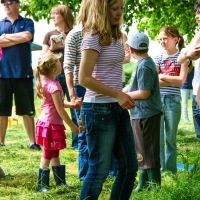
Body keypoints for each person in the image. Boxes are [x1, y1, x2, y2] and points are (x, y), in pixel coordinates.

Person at [79, 0, 138, 199]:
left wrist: (119, 96)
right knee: (98, 172)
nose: (119, 12)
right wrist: (117, 93)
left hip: (116, 107)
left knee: (129, 167)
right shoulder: (92, 36)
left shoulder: (115, 35)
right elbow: (84, 78)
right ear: (103, 10)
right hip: (97, 110)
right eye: (114, 9)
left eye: (121, 8)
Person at [34, 54, 80, 192]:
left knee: (54, 153)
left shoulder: (48, 82)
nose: (62, 65)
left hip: (49, 123)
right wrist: (72, 126)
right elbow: (59, 110)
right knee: (47, 154)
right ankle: (41, 185)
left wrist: (72, 105)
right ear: (54, 69)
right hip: (50, 125)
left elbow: (57, 104)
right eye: (60, 63)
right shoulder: (53, 86)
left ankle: (60, 183)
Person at [123, 31, 162, 191]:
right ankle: (143, 182)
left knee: (149, 149)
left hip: (147, 114)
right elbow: (134, 87)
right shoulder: (142, 63)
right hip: (139, 113)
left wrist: (123, 95)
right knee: (141, 148)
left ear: (131, 50)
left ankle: (155, 186)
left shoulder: (145, 65)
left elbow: (144, 93)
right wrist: (119, 92)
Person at [0, 0, 40, 150]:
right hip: (2, 73)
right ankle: (1, 142)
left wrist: (5, 37)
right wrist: (18, 39)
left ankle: (32, 142)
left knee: (27, 109)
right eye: (3, 3)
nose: (6, 5)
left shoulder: (27, 21)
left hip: (23, 73)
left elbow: (27, 37)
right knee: (2, 109)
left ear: (17, 4)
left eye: (9, 2)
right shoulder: (0, 23)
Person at [41, 4, 78, 149]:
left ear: (64, 15)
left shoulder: (74, 34)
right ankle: (54, 138)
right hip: (54, 78)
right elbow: (42, 60)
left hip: (72, 75)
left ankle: (77, 141)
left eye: (55, 14)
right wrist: (52, 48)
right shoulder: (50, 35)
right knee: (54, 107)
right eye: (52, 14)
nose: (52, 17)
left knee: (75, 105)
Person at [154, 26, 188, 174]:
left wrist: (162, 76)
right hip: (157, 100)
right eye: (160, 39)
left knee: (170, 138)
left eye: (165, 39)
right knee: (159, 137)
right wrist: (170, 79)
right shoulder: (157, 57)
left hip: (173, 100)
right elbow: (153, 81)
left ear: (175, 40)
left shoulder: (182, 57)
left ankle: (171, 169)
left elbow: (181, 81)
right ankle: (161, 168)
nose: (162, 41)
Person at [64, 0, 90, 181]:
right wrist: (72, 92)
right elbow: (68, 65)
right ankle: (84, 173)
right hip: (80, 86)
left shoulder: (101, 32)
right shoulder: (74, 34)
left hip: (97, 85)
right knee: (84, 130)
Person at [177, 2, 200, 142]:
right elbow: (180, 59)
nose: (197, 16)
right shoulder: (198, 35)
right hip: (196, 92)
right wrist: (187, 53)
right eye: (196, 13)